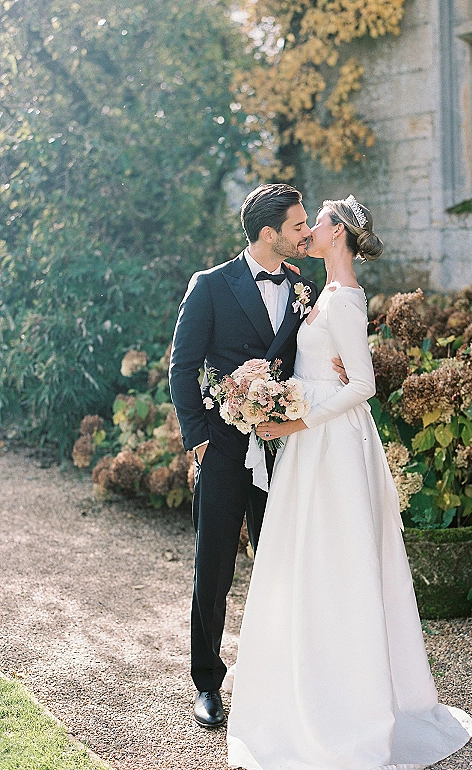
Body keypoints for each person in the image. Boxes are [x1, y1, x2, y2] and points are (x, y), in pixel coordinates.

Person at [227, 195, 472, 769]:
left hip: (331, 444)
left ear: (336, 232)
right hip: (313, 442)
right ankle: (303, 680)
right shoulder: (325, 293)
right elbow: (324, 366)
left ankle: (349, 706)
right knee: (306, 561)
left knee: (337, 563)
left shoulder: (343, 299)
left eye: (315, 221)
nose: (307, 229)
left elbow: (362, 385)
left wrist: (295, 420)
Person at [170, 184, 345, 729]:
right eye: (298, 225)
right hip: (223, 450)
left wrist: (338, 367)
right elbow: (182, 368)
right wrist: (198, 439)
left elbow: (312, 354)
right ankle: (207, 683)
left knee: (283, 567)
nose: (306, 233)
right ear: (269, 234)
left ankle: (281, 680)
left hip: (285, 450)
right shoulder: (210, 285)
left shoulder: (303, 288)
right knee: (213, 569)